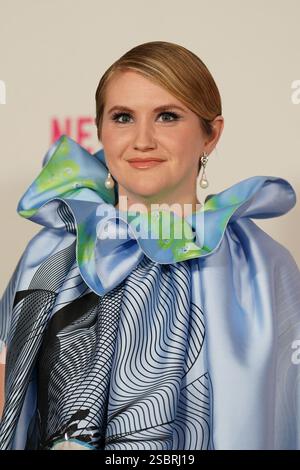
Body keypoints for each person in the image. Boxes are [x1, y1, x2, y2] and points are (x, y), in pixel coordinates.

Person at [0, 40, 300, 450]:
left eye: (167, 117)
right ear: (101, 130)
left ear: (211, 135)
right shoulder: (49, 254)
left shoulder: (264, 265)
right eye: (123, 117)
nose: (142, 140)